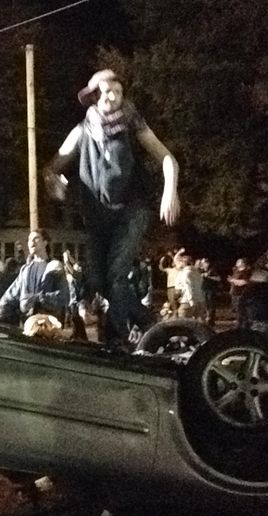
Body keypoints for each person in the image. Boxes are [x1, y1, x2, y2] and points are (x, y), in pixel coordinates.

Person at [42, 69, 180, 346]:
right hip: (98, 217)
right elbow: (52, 167)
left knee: (116, 275)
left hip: (132, 210)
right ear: (93, 96)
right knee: (98, 281)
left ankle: (116, 339)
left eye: (117, 91)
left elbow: (167, 158)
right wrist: (52, 181)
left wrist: (170, 190)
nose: (113, 96)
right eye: (106, 91)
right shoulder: (82, 131)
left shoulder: (133, 124)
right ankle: (149, 323)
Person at [0, 229, 69, 325]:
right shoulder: (26, 269)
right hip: (27, 323)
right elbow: (13, 292)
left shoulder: (54, 267)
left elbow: (64, 296)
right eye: (29, 239)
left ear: (45, 242)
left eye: (36, 238)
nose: (31, 242)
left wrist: (39, 298)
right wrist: (1, 308)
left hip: (49, 324)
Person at [176, 253, 205, 320]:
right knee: (198, 323)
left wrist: (191, 301)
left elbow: (188, 287)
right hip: (200, 299)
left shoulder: (185, 273)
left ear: (183, 263)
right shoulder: (197, 273)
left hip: (188, 301)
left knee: (183, 322)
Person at [228, 257, 252, 329]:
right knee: (237, 310)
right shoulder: (236, 271)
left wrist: (234, 280)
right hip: (234, 293)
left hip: (241, 294)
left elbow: (245, 282)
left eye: (239, 262)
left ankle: (242, 326)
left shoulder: (246, 272)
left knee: (241, 311)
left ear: (243, 263)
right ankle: (240, 325)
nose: (237, 263)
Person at [199, 257, 220, 327]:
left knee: (211, 305)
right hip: (203, 289)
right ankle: (207, 318)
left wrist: (208, 277)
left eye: (203, 263)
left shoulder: (212, 270)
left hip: (210, 290)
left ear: (207, 263)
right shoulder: (200, 270)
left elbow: (218, 279)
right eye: (201, 263)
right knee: (205, 305)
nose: (202, 264)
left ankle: (211, 320)